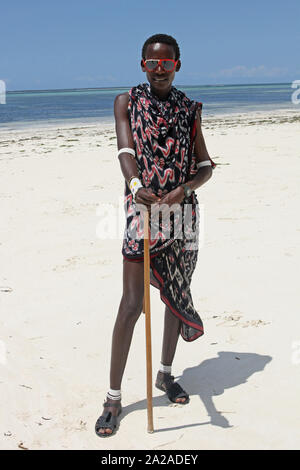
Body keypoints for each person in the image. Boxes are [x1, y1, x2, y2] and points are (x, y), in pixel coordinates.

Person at [95, 33, 215, 437]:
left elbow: (205, 165)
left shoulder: (189, 109)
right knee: (132, 305)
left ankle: (165, 375)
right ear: (142, 65)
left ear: (177, 66)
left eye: (167, 64)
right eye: (152, 63)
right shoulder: (125, 101)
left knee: (174, 297)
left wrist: (187, 188)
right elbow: (125, 152)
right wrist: (135, 188)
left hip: (182, 217)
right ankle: (113, 398)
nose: (159, 70)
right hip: (142, 212)